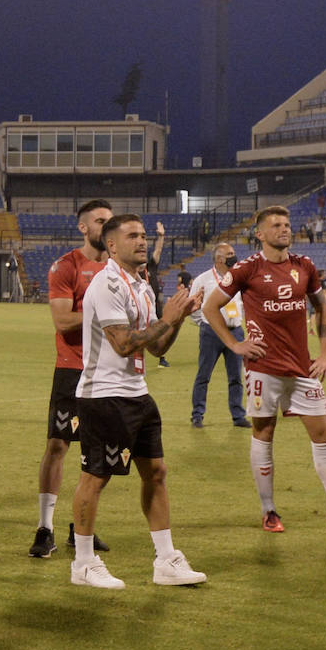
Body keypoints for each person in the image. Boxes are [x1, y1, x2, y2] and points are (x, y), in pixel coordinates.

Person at [201, 206, 326, 534]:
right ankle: (269, 511)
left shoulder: (304, 266)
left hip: (301, 369)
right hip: (263, 368)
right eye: (277, 225)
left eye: (287, 224)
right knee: (264, 433)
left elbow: (321, 308)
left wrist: (325, 354)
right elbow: (210, 307)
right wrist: (235, 345)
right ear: (260, 234)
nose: (285, 229)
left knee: (323, 434)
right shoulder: (245, 269)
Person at [70, 214, 205, 589]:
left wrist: (177, 319)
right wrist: (170, 316)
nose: (142, 241)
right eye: (133, 236)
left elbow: (156, 345)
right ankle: (82, 563)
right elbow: (124, 343)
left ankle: (165, 560)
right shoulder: (106, 283)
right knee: (95, 477)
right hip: (103, 395)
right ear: (112, 245)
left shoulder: (143, 285)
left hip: (136, 392)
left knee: (156, 473)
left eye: (144, 235)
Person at [29, 199, 113, 559]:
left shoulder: (122, 269)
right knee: (58, 446)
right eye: (99, 221)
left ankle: (81, 525)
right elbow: (62, 321)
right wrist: (105, 313)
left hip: (110, 372)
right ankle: (44, 527)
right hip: (72, 369)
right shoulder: (66, 266)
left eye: (110, 221)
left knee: (98, 454)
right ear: (83, 227)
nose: (106, 227)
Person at [187, 243, 248, 428]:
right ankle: (197, 414)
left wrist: (238, 320)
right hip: (211, 333)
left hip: (235, 331)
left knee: (236, 377)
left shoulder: (239, 277)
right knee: (204, 375)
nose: (234, 256)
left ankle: (238, 416)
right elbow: (193, 306)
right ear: (219, 259)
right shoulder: (203, 280)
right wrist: (205, 323)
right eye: (230, 254)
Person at [145, 221, 168, 367]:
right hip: (141, 303)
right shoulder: (132, 271)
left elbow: (158, 251)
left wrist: (161, 237)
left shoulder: (150, 266)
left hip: (155, 303)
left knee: (160, 328)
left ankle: (162, 358)